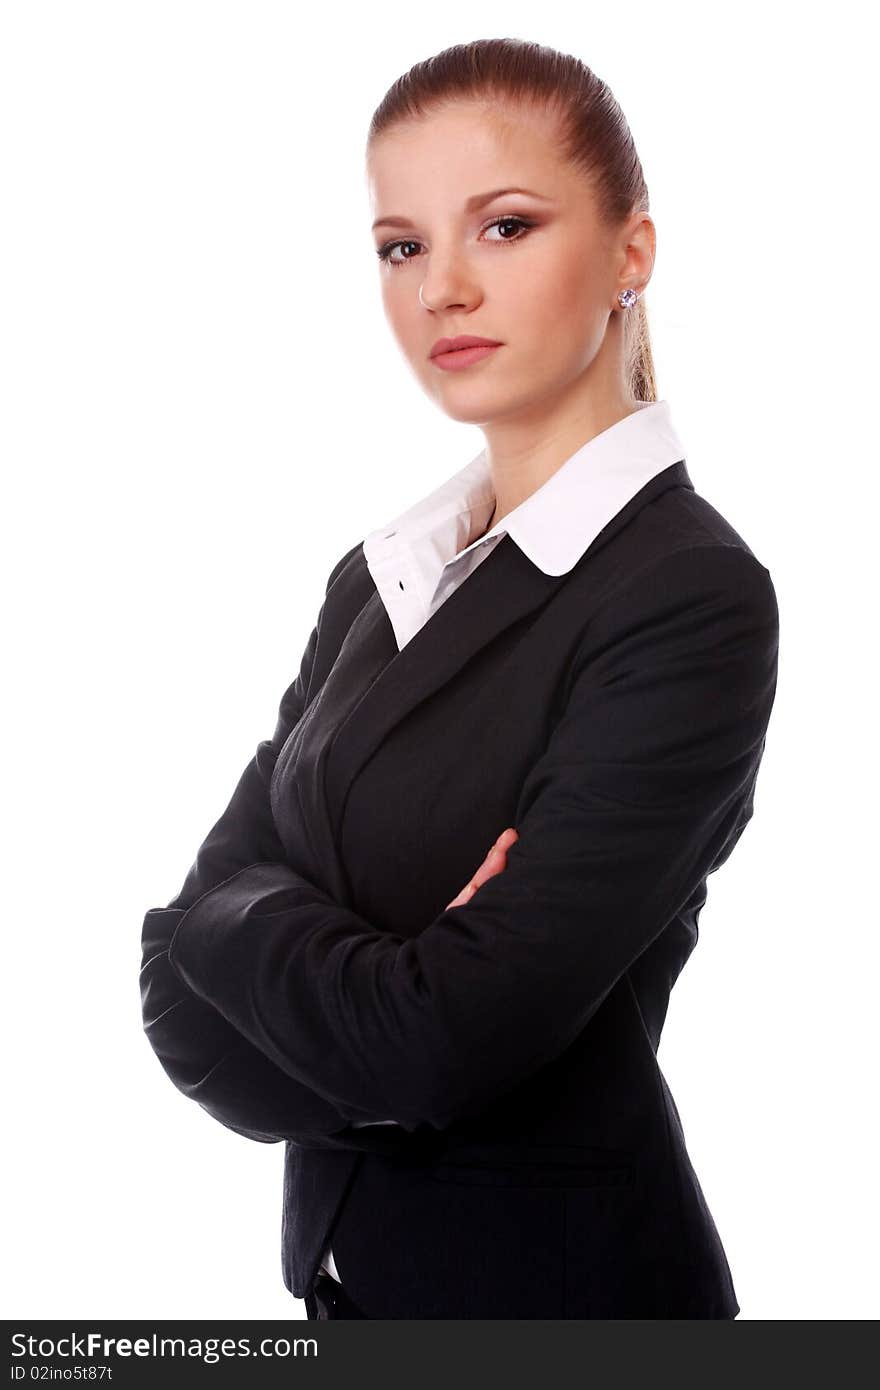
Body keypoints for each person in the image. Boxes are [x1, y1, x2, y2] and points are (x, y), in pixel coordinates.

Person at [140, 37, 779, 1319]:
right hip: (340, 1302)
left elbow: (445, 1043)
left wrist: (245, 924)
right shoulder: (378, 578)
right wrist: (343, 964)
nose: (441, 289)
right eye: (400, 245)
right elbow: (176, 1000)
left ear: (628, 254)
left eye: (503, 226)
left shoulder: (688, 597)